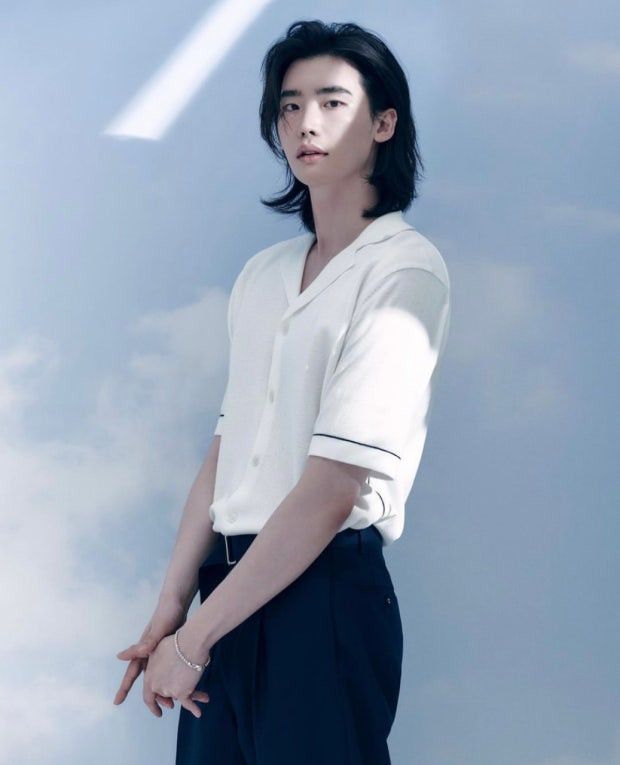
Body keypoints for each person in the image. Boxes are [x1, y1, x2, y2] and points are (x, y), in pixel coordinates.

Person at [113, 19, 451, 765]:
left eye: (332, 102)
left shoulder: (402, 269)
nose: (306, 123)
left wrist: (194, 643)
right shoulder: (263, 275)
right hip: (226, 592)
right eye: (289, 106)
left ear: (384, 122)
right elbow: (227, 452)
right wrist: (172, 609)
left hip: (321, 594)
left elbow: (332, 488)